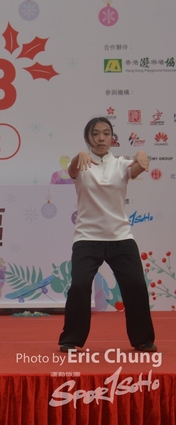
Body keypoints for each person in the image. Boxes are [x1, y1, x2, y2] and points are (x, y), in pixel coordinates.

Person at [58, 117, 156, 353]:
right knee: (80, 286)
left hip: (120, 237)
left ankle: (143, 339)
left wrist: (142, 154)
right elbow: (71, 170)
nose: (101, 138)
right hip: (87, 238)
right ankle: (71, 338)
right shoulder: (81, 164)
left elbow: (137, 168)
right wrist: (79, 155)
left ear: (112, 138)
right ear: (87, 138)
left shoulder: (121, 164)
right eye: (95, 134)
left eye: (106, 133)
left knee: (135, 284)